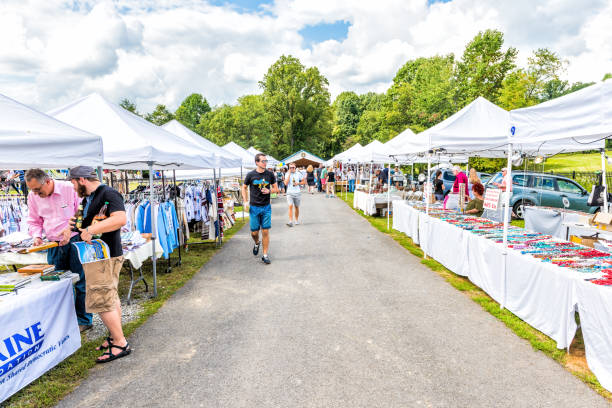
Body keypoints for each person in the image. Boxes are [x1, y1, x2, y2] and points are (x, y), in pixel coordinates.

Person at [67, 166, 130, 363]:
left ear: (81, 180)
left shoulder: (108, 193)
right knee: (110, 297)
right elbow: (85, 222)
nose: (73, 187)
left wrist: (92, 229)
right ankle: (114, 335)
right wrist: (72, 228)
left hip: (104, 255)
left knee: (102, 300)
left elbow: (120, 219)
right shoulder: (89, 198)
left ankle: (120, 343)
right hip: (99, 255)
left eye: (73, 183)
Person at [26, 168, 93, 332]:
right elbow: (34, 220)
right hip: (53, 244)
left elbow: (83, 212)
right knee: (57, 284)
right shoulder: (32, 196)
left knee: (81, 282)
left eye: (38, 190)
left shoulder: (69, 189)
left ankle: (84, 320)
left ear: (48, 182)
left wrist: (70, 231)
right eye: (32, 190)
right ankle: (64, 320)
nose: (35, 193)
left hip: (76, 241)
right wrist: (37, 236)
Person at [242, 153, 279, 264]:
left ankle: (265, 255)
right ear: (257, 162)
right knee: (254, 232)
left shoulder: (270, 174)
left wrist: (269, 191)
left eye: (266, 161)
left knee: (265, 231)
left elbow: (276, 189)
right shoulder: (250, 175)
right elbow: (243, 187)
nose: (265, 163)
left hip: (266, 207)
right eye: (263, 161)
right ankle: (257, 242)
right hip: (254, 207)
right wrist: (245, 201)